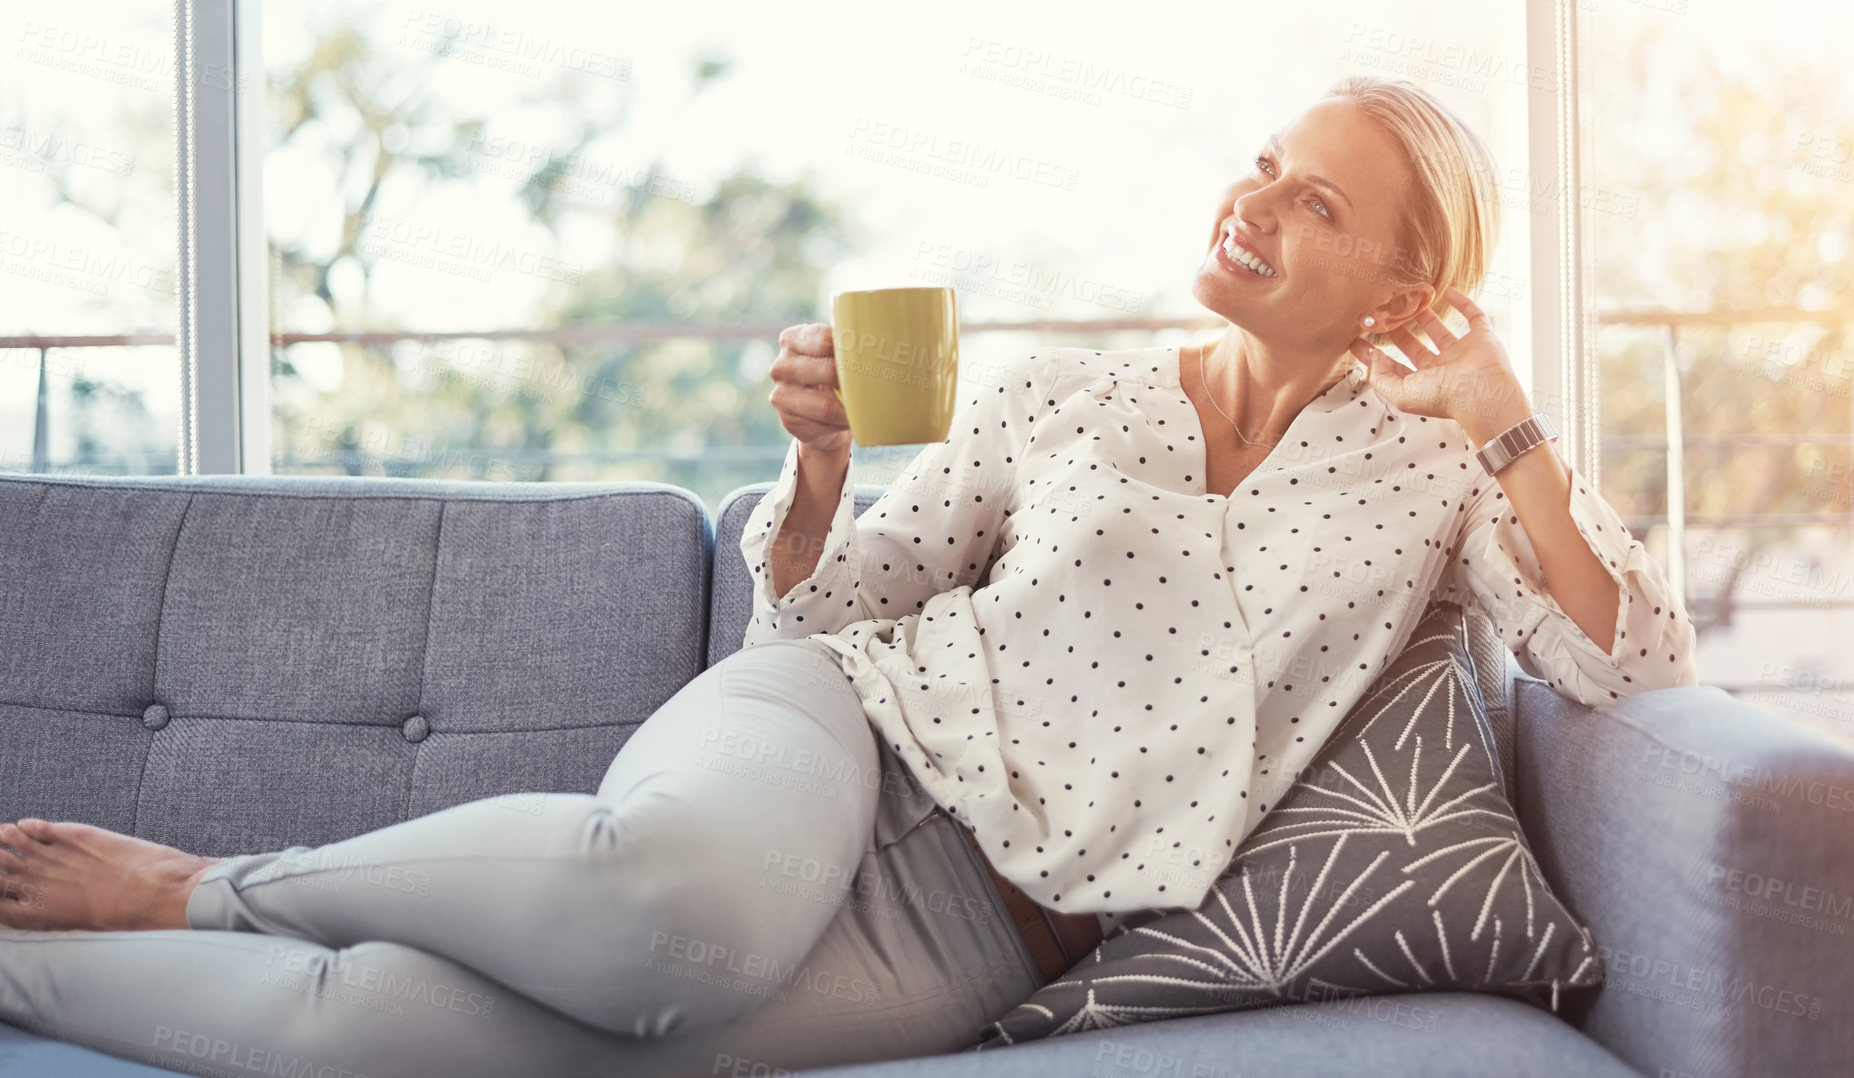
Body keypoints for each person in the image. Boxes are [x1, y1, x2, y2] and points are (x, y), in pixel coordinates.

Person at [0, 75, 1696, 1078]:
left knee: (373, 1039)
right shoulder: (1067, 398)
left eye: (1313, 202)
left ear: (1404, 289)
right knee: (680, 898)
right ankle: (201, 882)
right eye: (1265, 163)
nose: (1254, 202)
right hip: (841, 731)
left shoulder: (1434, 479)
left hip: (992, 919)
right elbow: (836, 602)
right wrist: (817, 474)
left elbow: (1628, 659)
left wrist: (1503, 419)